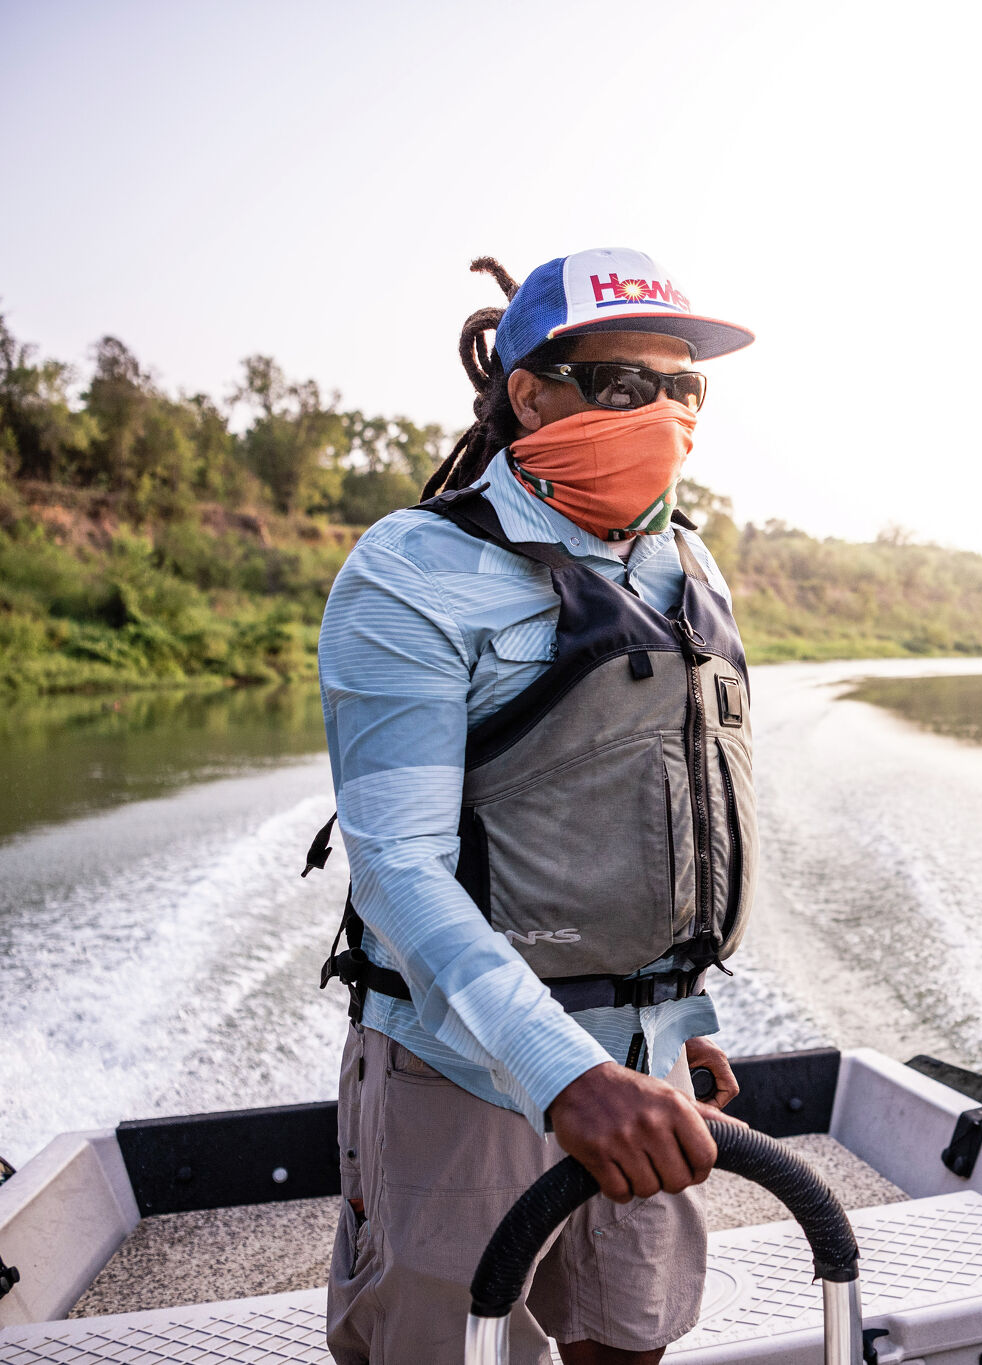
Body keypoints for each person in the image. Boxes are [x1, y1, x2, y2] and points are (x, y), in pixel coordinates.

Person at [314, 248, 760, 1365]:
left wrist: (666, 1012)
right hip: (461, 1076)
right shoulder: (411, 571)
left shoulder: (686, 563)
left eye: (683, 386)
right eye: (623, 383)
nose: (661, 412)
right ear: (531, 392)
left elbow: (669, 800)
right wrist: (567, 1073)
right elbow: (398, 870)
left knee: (631, 1339)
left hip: (645, 1061)